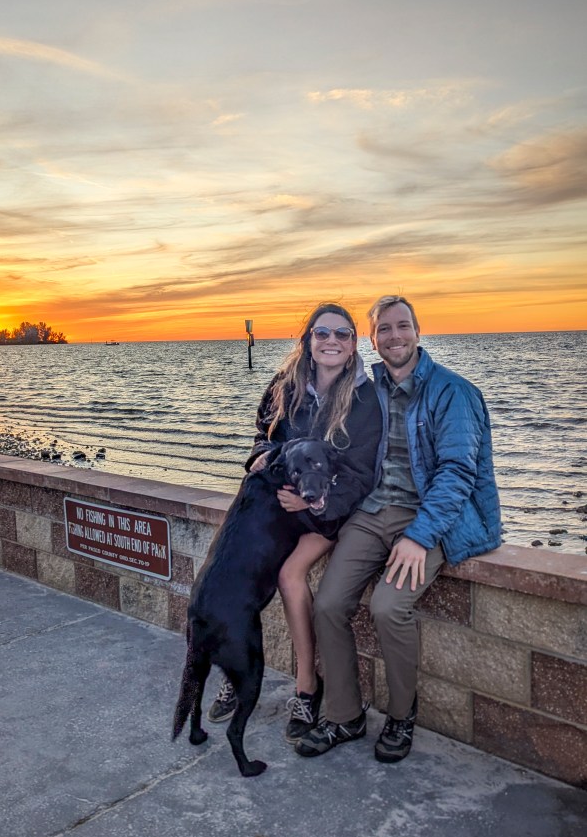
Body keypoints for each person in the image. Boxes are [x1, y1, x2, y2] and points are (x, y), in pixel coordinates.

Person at [295, 295, 502, 763]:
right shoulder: (370, 390)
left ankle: (402, 714)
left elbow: (456, 473)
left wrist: (419, 536)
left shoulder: (453, 392)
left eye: (401, 326)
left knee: (389, 607)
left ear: (417, 330)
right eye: (383, 329)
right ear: (372, 340)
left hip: (430, 516)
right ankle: (345, 716)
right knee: (327, 603)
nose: (394, 336)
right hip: (372, 513)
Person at [207, 303, 382, 744]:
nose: (331, 342)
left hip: (328, 512)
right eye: (322, 333)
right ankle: (237, 671)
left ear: (353, 343)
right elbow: (260, 437)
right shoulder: (284, 386)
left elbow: (362, 474)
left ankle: (307, 687)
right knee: (237, 576)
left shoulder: (364, 399)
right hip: (275, 504)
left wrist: (313, 507)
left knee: (288, 574)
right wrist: (259, 458)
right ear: (308, 340)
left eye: (342, 334)